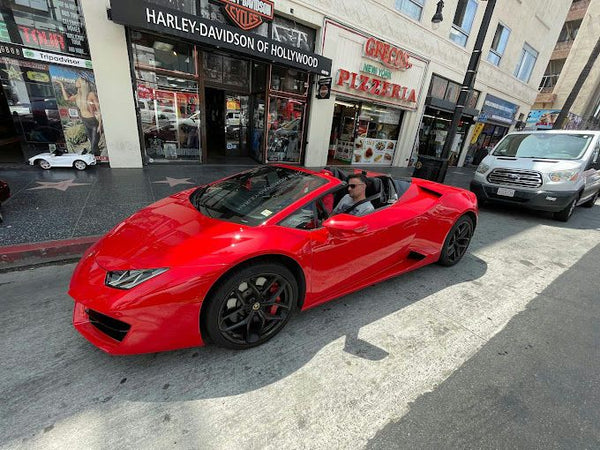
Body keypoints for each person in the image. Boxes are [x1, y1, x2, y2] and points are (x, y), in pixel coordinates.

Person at [57, 76, 103, 156]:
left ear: (82, 83)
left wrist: (100, 125)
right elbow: (66, 99)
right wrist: (61, 85)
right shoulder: (78, 96)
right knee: (92, 143)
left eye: (78, 81)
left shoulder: (91, 94)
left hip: (93, 122)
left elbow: (99, 110)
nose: (76, 82)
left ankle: (95, 158)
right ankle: (98, 158)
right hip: (85, 121)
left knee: (94, 145)